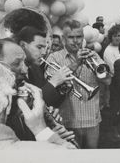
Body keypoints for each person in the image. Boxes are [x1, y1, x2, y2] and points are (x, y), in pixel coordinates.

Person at [45, 19, 111, 149]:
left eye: (79, 37)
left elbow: (108, 81)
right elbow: (52, 88)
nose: (76, 41)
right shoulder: (53, 58)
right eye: (71, 37)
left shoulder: (93, 55)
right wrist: (76, 63)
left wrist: (97, 63)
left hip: (92, 119)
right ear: (64, 39)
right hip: (67, 120)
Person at [0, 38, 75, 142]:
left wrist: (47, 125)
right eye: (16, 63)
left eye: (24, 62)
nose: (24, 69)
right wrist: (45, 136)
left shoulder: (22, 91)